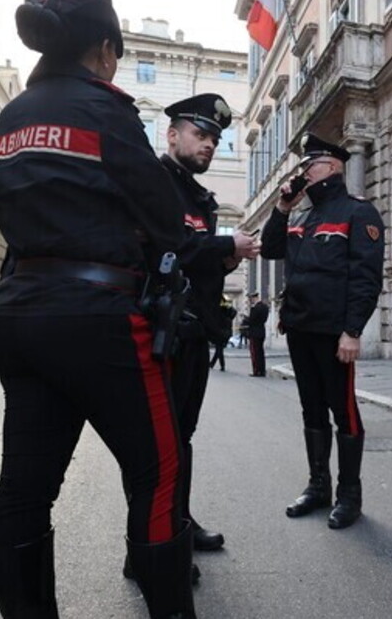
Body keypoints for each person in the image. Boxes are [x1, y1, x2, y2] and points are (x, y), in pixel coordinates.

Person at [0, 0, 195, 617]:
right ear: (103, 50)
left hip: (20, 314)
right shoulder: (105, 109)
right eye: (117, 58)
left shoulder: (13, 114)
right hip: (98, 319)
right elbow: (165, 217)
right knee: (160, 474)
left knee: (24, 488)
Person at [261, 133, 385, 529]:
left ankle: (350, 495)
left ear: (331, 168)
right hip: (300, 327)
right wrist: (282, 206)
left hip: (334, 334)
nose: (302, 173)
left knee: (342, 410)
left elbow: (366, 278)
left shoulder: (357, 212)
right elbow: (269, 249)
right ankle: (319, 487)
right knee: (311, 409)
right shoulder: (300, 217)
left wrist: (352, 330)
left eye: (308, 166)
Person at [154, 92, 259, 552]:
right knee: (161, 442)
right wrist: (223, 246)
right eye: (200, 135)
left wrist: (229, 258)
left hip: (194, 331)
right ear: (173, 134)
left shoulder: (200, 197)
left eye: (215, 139)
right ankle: (154, 543)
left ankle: (180, 520)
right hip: (162, 331)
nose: (210, 145)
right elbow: (166, 248)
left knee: (184, 435)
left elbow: (201, 265)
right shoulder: (155, 182)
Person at [209, 300, 237, 371]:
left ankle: (221, 365)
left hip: (221, 333)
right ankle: (212, 364)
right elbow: (234, 312)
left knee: (219, 349)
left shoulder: (221, 313)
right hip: (226, 333)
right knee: (219, 349)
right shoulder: (229, 314)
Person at [246, 292, 268, 377]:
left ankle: (256, 370)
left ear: (253, 298)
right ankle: (262, 370)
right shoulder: (265, 307)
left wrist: (245, 318)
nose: (250, 300)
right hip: (262, 331)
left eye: (250, 299)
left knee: (255, 353)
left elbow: (251, 320)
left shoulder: (255, 308)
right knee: (261, 352)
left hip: (254, 333)